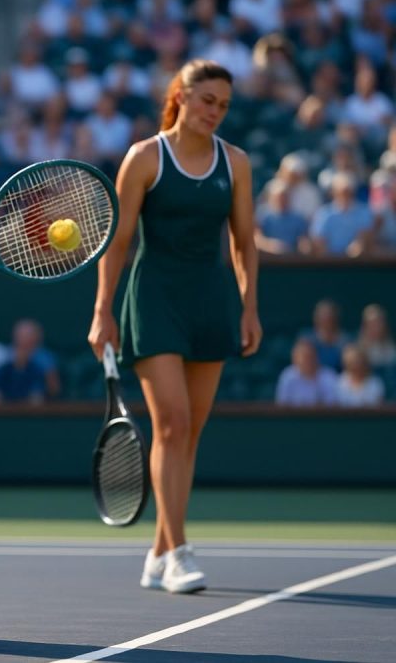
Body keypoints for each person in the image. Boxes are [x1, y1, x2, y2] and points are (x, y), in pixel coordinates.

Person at [88, 60, 262, 595]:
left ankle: (160, 550)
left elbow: (244, 242)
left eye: (224, 105)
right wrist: (102, 310)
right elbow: (118, 241)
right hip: (154, 300)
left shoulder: (236, 162)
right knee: (172, 425)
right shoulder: (144, 157)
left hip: (210, 301)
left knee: (189, 433)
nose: (216, 111)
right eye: (207, 100)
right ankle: (180, 552)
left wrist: (249, 307)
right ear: (181, 97)